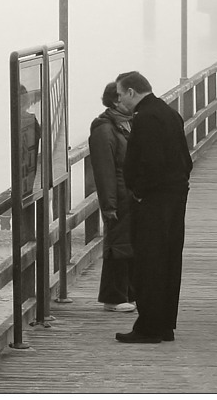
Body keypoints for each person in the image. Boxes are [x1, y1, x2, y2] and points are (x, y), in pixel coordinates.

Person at [114, 71, 193, 344]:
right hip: (175, 199)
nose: (120, 99)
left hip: (153, 203)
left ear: (133, 92)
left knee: (148, 264)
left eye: (121, 93)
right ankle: (164, 325)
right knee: (169, 262)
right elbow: (185, 160)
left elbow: (150, 163)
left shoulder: (145, 118)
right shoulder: (170, 114)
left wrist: (139, 193)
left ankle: (148, 327)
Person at [88, 82, 135, 313]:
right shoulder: (104, 129)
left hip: (130, 194)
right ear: (116, 100)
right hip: (117, 196)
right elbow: (104, 169)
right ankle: (113, 297)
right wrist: (109, 205)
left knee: (129, 245)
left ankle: (127, 292)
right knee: (116, 247)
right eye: (126, 95)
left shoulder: (125, 124)